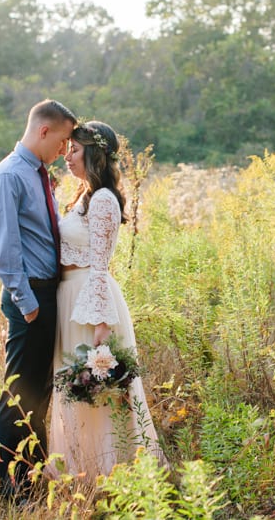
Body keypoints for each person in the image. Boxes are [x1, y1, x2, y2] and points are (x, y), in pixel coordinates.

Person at [46, 120, 167, 481]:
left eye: (75, 149)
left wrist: (101, 327)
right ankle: (79, 469)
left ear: (94, 153)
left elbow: (99, 265)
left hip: (89, 302)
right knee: (74, 390)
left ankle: (109, 471)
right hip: (70, 296)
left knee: (95, 390)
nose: (67, 156)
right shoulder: (84, 196)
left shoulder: (102, 199)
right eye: (67, 149)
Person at [0, 98, 78, 499]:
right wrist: (29, 305)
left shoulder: (39, 175)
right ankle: (12, 487)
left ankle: (30, 474)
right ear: (44, 130)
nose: (63, 151)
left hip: (46, 293)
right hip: (31, 298)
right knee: (20, 392)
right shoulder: (9, 176)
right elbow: (3, 252)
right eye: (62, 141)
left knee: (38, 391)